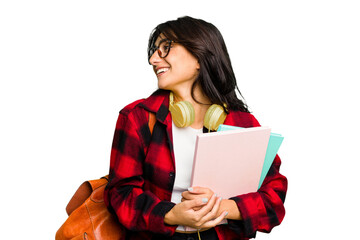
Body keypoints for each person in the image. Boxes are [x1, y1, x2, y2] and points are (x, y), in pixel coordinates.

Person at [104, 16, 287, 240]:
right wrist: (171, 214)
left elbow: (274, 198)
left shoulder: (243, 124)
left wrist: (222, 208)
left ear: (199, 56)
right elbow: (120, 195)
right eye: (153, 51)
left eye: (165, 48)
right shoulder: (137, 118)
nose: (153, 59)